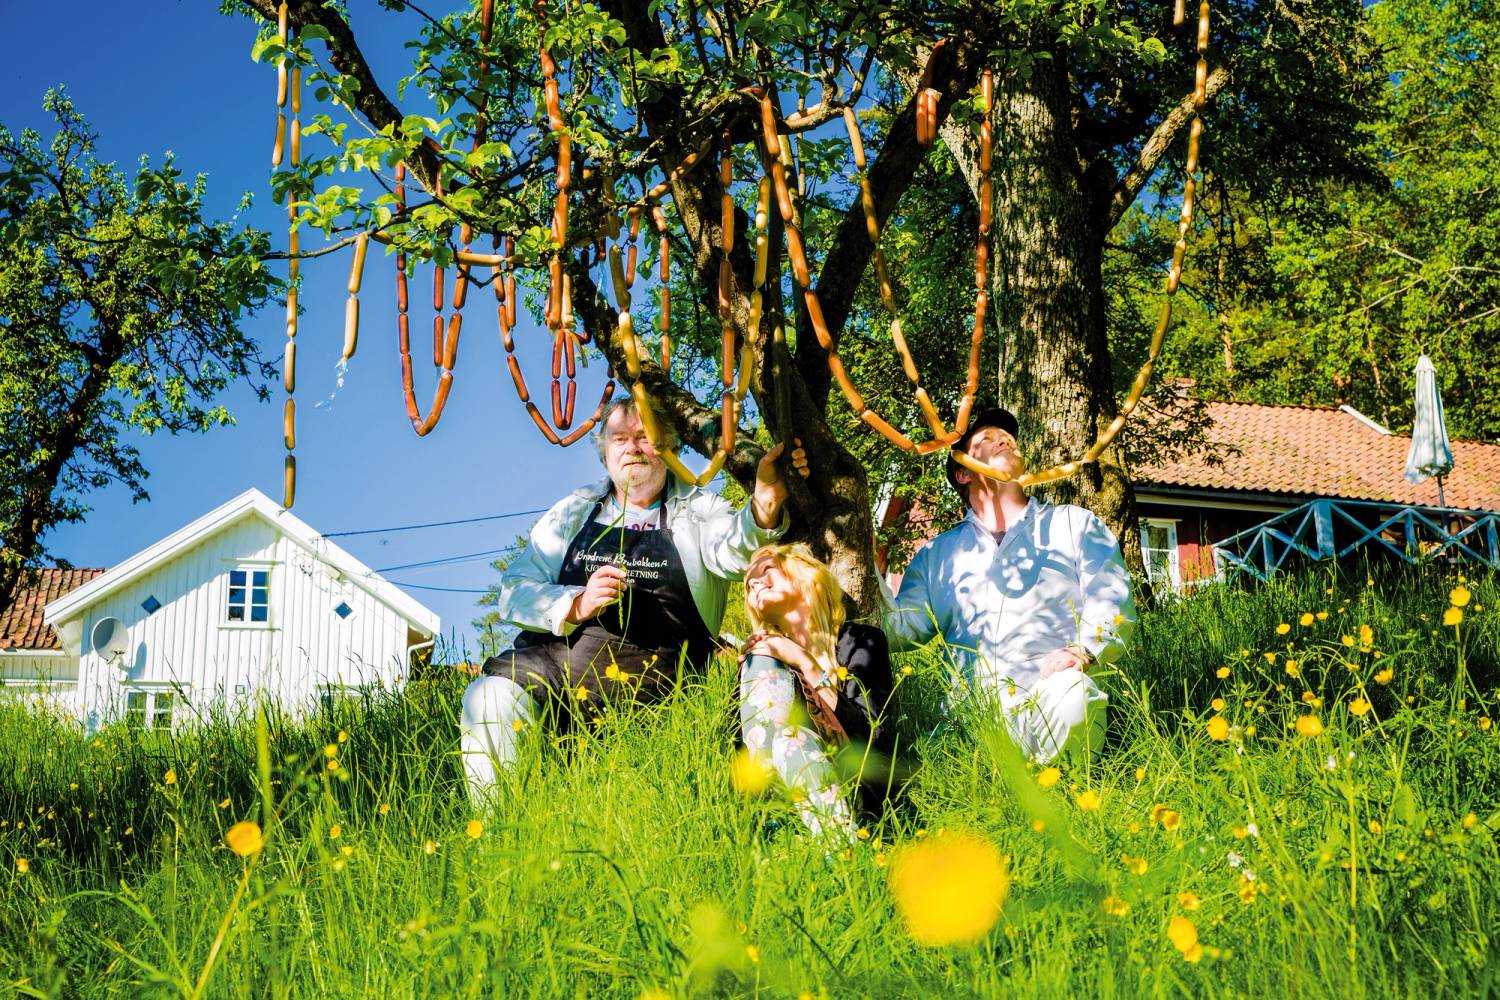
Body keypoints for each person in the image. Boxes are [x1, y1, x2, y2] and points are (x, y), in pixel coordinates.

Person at [459, 396, 807, 804]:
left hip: (660, 691)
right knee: (489, 697)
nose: (632, 447)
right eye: (619, 438)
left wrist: (765, 504)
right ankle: (497, 830)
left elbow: (734, 551)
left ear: (669, 448)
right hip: (554, 675)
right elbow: (515, 590)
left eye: (644, 437)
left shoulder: (698, 508)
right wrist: (576, 603)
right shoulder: (575, 510)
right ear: (604, 450)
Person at [883, 407, 1135, 763]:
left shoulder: (1074, 524)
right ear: (963, 473)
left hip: (1051, 700)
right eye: (986, 439)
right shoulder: (935, 555)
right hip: (968, 721)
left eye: (1008, 438)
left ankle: (1066, 794)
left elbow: (1113, 603)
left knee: (1073, 697)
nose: (1004, 439)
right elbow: (899, 629)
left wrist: (1084, 650)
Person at [739, 543, 893, 841]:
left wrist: (804, 663)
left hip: (856, 786)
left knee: (789, 739)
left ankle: (843, 854)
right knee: (785, 736)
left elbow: (873, 740)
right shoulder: (763, 662)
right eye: (748, 584)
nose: (754, 583)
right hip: (783, 790)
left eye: (766, 570)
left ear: (804, 576)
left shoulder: (861, 642)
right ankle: (778, 823)